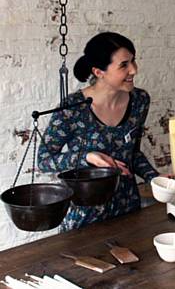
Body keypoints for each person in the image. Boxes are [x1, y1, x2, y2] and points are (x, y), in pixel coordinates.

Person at [37, 32, 160, 231]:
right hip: (84, 218)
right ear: (98, 71)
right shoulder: (73, 107)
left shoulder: (140, 100)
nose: (134, 70)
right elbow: (43, 160)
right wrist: (87, 157)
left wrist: (154, 178)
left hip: (128, 209)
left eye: (133, 61)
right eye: (124, 65)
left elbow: (133, 153)